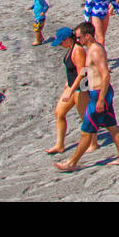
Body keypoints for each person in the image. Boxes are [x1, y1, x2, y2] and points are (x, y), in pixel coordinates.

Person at [54, 22, 119, 171]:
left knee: (86, 131)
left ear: (88, 36)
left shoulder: (94, 51)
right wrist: (71, 87)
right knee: (112, 127)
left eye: (79, 37)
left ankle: (71, 163)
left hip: (100, 94)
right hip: (97, 93)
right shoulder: (90, 49)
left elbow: (105, 75)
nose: (77, 40)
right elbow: (85, 72)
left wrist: (100, 99)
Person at [46, 26, 90, 155]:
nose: (60, 45)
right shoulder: (70, 49)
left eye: (61, 42)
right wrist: (67, 83)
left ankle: (93, 143)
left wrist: (71, 91)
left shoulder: (78, 51)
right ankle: (59, 145)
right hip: (72, 86)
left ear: (68, 40)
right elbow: (71, 70)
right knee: (59, 113)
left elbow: (82, 73)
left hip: (80, 88)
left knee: (86, 119)